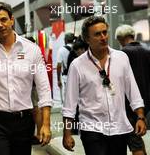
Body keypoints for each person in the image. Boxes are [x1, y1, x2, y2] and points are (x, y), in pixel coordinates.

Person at [0, 2, 53, 155]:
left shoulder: (32, 50)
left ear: (12, 20)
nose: (0, 25)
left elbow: (44, 89)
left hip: (24, 121)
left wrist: (45, 124)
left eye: (3, 20)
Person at [62, 16, 147, 155]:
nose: (103, 37)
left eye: (105, 32)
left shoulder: (121, 58)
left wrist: (140, 117)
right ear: (87, 39)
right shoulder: (77, 65)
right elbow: (69, 104)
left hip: (119, 127)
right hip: (92, 129)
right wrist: (67, 132)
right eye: (97, 34)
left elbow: (133, 90)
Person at [115, 24, 150, 155]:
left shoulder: (122, 54)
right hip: (146, 102)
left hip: (129, 103)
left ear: (120, 38)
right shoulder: (147, 51)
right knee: (137, 137)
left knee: (135, 140)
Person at [56, 32, 75, 104]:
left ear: (66, 40)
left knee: (67, 97)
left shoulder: (61, 50)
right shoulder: (78, 48)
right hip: (77, 76)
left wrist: (58, 80)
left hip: (66, 77)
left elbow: (59, 66)